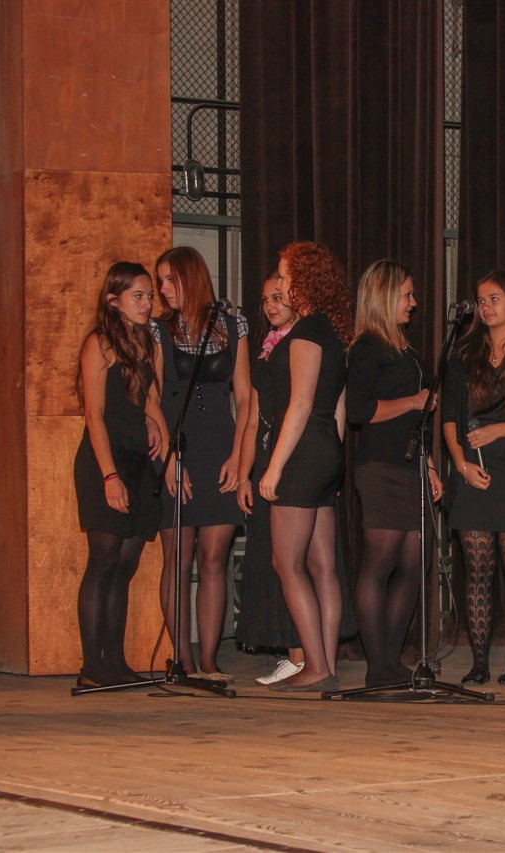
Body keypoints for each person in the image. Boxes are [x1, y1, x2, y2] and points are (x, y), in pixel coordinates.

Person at [252, 242, 352, 692]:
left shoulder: (308, 331)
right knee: (322, 564)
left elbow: (300, 404)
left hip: (303, 451)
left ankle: (316, 667)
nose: (281, 281)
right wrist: (333, 456)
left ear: (305, 279)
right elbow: (338, 407)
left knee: (287, 562)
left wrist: (274, 468)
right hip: (324, 449)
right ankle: (324, 664)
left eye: (284, 274)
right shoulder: (332, 330)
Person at [153, 247, 251, 679]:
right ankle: (183, 660)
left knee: (214, 558)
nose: (163, 289)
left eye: (169, 279)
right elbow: (152, 399)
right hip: (176, 446)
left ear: (191, 278)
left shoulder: (233, 325)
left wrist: (239, 457)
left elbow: (245, 397)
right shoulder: (158, 330)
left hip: (220, 446)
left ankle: (209, 660)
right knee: (178, 557)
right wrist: (171, 457)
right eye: (159, 281)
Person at [346, 260, 443, 687]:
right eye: (406, 295)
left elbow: (418, 420)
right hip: (381, 466)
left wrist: (430, 464)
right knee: (380, 562)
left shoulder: (405, 348)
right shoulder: (367, 347)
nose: (413, 303)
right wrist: (413, 401)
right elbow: (359, 411)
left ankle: (390, 659)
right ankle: (377, 666)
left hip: (410, 465)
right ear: (385, 297)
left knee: (414, 563)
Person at [443, 271, 505, 686]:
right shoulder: (464, 353)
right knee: (478, 571)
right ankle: (479, 662)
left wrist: (499, 430)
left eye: (494, 299)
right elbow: (450, 416)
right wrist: (461, 464)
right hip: (473, 470)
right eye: (481, 300)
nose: (485, 308)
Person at [73, 262, 166, 687]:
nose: (148, 303)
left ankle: (115, 661)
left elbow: (148, 399)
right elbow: (94, 415)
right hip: (105, 461)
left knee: (126, 564)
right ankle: (92, 666)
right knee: (104, 560)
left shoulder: (145, 341)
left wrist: (154, 425)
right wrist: (110, 477)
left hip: (138, 459)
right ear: (114, 300)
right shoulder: (100, 343)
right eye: (138, 296)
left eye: (149, 296)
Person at [236, 276, 304, 685]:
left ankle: (301, 653)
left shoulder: (303, 344)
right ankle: (290, 651)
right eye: (264, 300)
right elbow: (252, 420)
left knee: (292, 561)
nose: (270, 306)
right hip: (264, 461)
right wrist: (245, 474)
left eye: (278, 297)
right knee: (271, 560)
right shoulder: (266, 348)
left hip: (293, 462)